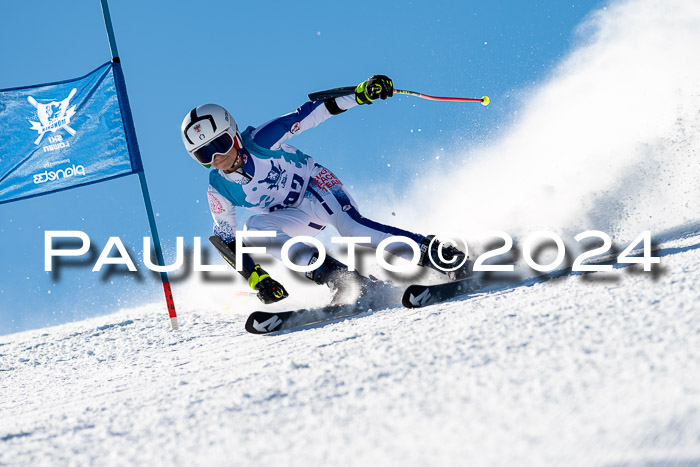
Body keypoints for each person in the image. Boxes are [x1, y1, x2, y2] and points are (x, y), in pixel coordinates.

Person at [181, 75, 470, 305]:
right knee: (256, 228)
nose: (217, 158)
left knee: (353, 231)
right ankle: (344, 280)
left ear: (233, 134)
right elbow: (226, 239)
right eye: (203, 155)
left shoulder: (262, 140)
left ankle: (437, 254)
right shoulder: (218, 189)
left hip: (316, 186)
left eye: (220, 145)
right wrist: (257, 279)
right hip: (292, 216)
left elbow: (312, 112)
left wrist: (360, 94)